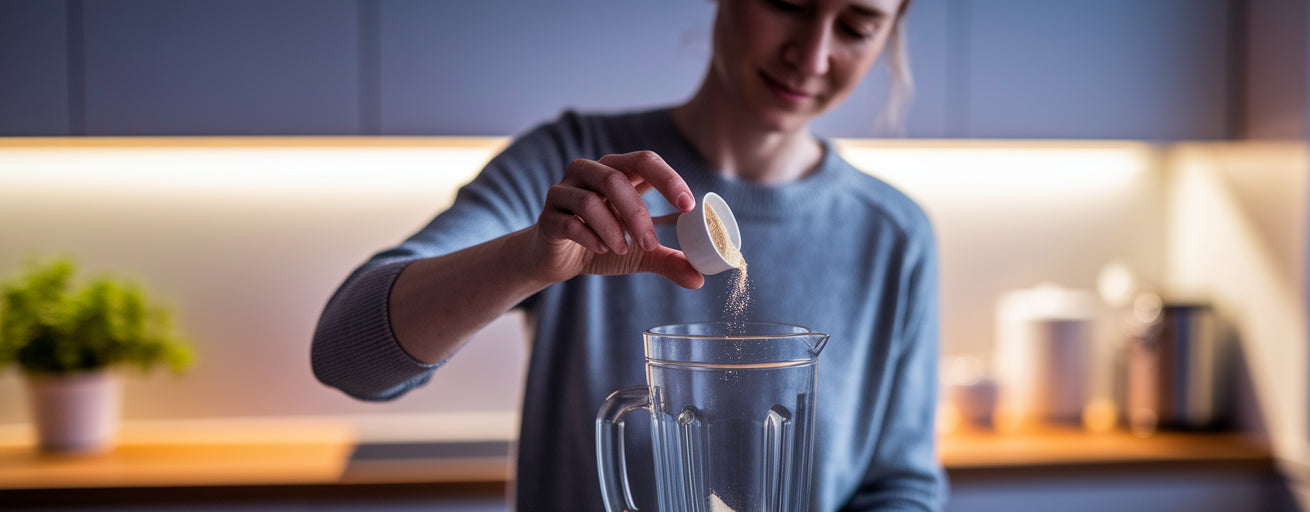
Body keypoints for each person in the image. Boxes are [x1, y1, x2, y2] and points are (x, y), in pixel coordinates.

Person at [311, 0, 943, 509]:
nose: (811, 56)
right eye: (788, 4)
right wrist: (527, 259)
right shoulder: (575, 168)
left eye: (857, 26)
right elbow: (344, 356)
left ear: (889, 36)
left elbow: (901, 485)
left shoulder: (894, 233)